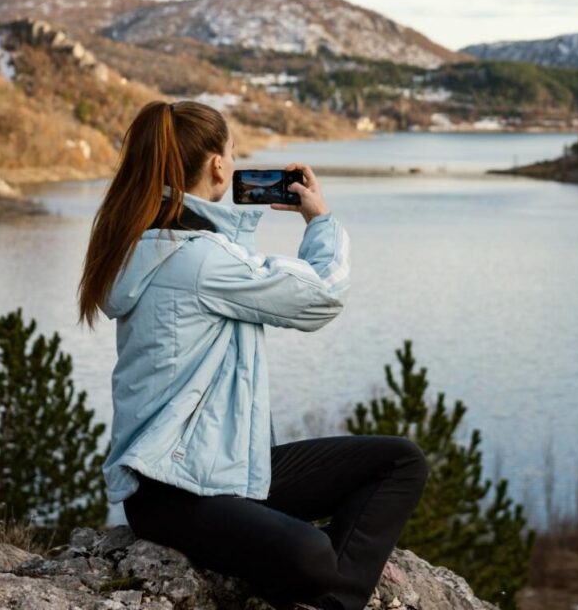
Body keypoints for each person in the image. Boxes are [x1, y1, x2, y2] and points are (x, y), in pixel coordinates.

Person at [77, 100, 429, 610]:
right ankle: (332, 590)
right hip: (173, 492)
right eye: (233, 153)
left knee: (399, 462)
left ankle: (327, 592)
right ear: (219, 166)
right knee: (311, 553)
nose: (234, 163)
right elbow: (321, 296)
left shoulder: (148, 243)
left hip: (226, 469)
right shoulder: (196, 258)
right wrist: (319, 219)